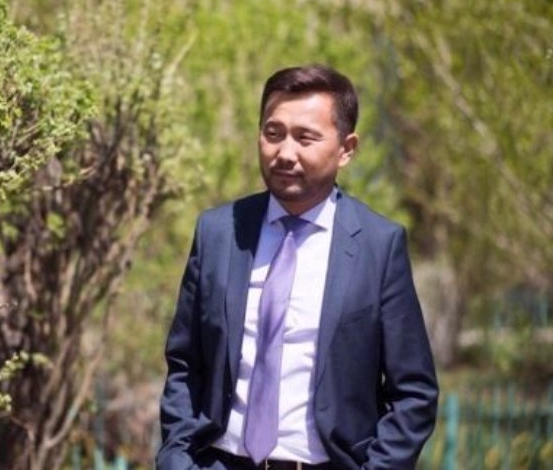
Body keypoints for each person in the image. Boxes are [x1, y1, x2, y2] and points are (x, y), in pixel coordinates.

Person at [157, 65, 438, 469]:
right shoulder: (219, 233)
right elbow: (185, 365)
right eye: (273, 133)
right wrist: (177, 459)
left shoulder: (378, 246)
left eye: (305, 138)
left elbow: (413, 392)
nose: (285, 153)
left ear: (346, 149)